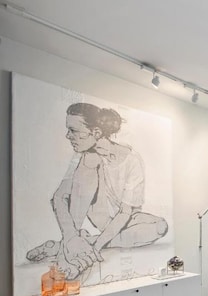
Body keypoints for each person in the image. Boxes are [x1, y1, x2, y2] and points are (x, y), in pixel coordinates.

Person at [26, 103, 168, 279]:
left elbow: (125, 213)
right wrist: (70, 236)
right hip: (100, 216)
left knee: (160, 227)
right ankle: (70, 247)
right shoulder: (84, 155)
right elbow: (59, 197)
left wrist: (94, 248)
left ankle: (71, 244)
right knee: (90, 161)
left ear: (96, 133)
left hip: (123, 219)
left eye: (73, 130)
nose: (68, 136)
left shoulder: (132, 160)